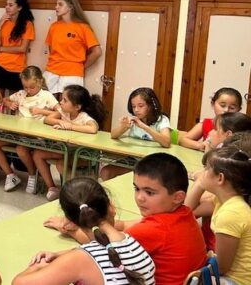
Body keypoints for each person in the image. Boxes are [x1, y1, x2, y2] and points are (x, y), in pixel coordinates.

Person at [45, 153, 207, 285]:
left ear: (178, 197)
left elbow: (101, 245)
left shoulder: (155, 229)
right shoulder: (183, 213)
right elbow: (127, 226)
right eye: (137, 189)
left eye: (149, 192)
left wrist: (71, 230)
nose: (140, 198)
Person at [14, 177, 155, 285]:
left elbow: (19, 283)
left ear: (70, 220)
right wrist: (59, 256)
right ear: (111, 207)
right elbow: (99, 249)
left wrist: (37, 267)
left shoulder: (80, 260)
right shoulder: (132, 242)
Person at [186, 146, 251, 285]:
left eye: (206, 168)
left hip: (238, 280)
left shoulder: (231, 214)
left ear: (220, 178)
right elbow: (187, 211)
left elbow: (222, 268)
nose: (201, 172)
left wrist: (202, 267)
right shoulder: (223, 201)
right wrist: (200, 185)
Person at [0, 66, 59, 194]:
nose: (28, 90)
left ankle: (32, 176)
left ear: (39, 82)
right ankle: (11, 175)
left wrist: (41, 111)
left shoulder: (46, 95)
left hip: (35, 137)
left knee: (21, 149)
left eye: (32, 87)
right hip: (18, 134)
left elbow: (59, 111)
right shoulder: (21, 94)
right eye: (25, 87)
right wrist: (9, 103)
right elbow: (5, 99)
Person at [34, 84, 106, 201]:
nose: (60, 102)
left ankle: (73, 193)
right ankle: (52, 188)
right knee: (38, 154)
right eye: (61, 99)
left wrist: (71, 126)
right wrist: (60, 122)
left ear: (77, 107)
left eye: (64, 100)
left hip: (82, 154)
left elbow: (93, 128)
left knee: (61, 164)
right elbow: (47, 119)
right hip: (66, 150)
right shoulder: (64, 112)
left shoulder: (83, 117)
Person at [100, 87, 172, 180]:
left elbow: (166, 142)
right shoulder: (133, 119)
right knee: (106, 172)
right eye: (134, 106)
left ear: (151, 105)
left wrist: (144, 126)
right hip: (134, 160)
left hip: (153, 163)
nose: (136, 110)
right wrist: (123, 127)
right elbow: (113, 135)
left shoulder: (161, 119)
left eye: (141, 106)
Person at [43, 0, 102, 97]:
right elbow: (51, 48)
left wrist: (81, 66)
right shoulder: (54, 26)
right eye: (56, 4)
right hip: (52, 70)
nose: (56, 7)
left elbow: (97, 52)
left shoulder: (83, 27)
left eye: (60, 4)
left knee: (68, 106)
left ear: (70, 6)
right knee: (43, 101)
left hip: (72, 72)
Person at [0, 0, 35, 93]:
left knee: (14, 100)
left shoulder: (27, 24)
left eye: (10, 5)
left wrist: (1, 49)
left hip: (16, 67)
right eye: (6, 4)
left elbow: (22, 48)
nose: (7, 7)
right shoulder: (4, 22)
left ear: (19, 7)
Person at [180, 87, 243, 151]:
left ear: (239, 110)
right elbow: (183, 140)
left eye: (232, 108)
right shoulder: (206, 124)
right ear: (213, 104)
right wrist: (200, 145)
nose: (226, 110)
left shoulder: (241, 128)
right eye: (222, 105)